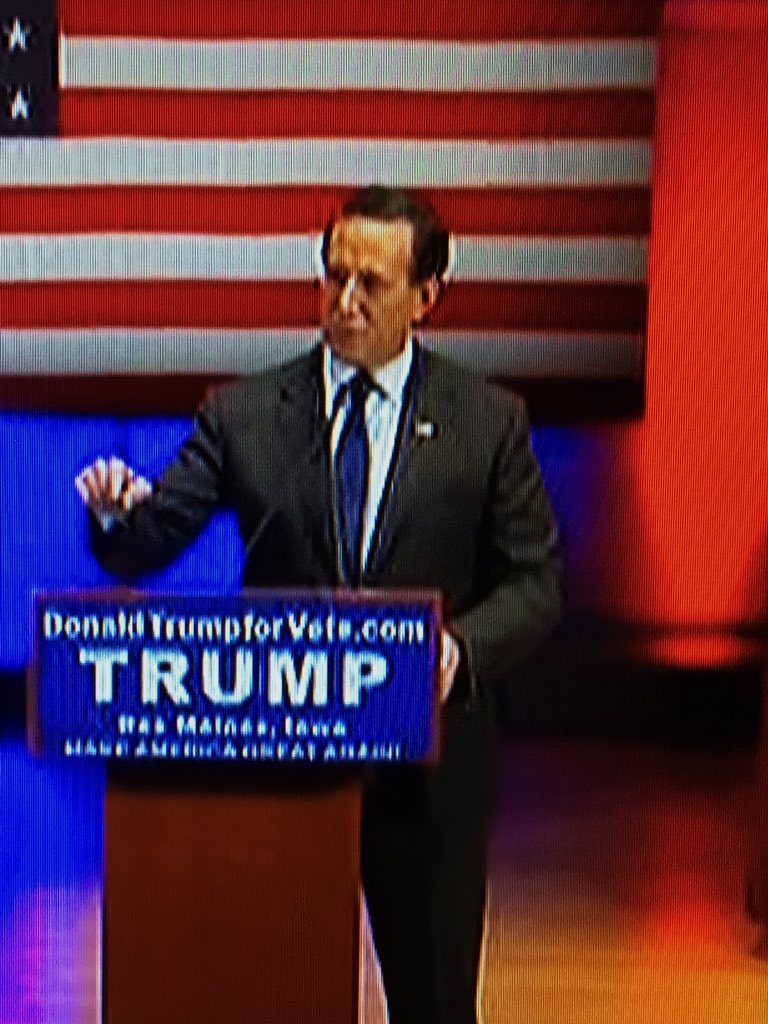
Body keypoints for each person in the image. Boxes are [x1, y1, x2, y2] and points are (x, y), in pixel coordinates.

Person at [75, 185, 562, 1024]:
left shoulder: (487, 423)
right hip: (283, 772)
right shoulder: (246, 414)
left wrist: (457, 651)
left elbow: (537, 581)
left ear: (427, 296)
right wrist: (118, 515)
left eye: (372, 283)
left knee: (435, 1004)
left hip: (427, 773)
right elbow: (150, 540)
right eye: (335, 277)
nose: (346, 302)